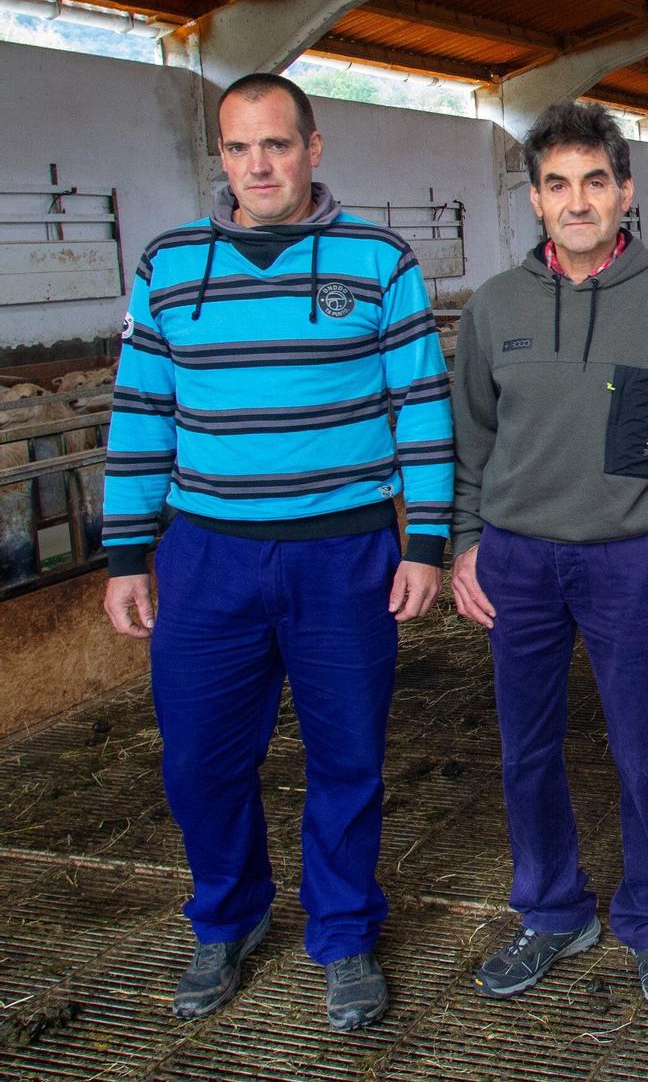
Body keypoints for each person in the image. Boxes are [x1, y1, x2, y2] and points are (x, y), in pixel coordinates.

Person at [100, 73, 453, 1030]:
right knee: (201, 760)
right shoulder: (169, 265)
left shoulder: (379, 259)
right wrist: (127, 551)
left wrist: (425, 541)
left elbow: (420, 405)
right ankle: (227, 915)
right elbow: (141, 412)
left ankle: (342, 932)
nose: (260, 165)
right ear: (220, 154)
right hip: (207, 553)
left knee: (347, 755)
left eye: (278, 144)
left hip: (341, 554)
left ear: (314, 146)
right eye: (240, 147)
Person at [449, 101, 648, 1012]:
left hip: (628, 562)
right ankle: (551, 910)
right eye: (555, 184)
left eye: (593, 182)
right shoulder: (492, 307)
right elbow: (469, 441)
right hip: (518, 563)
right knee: (526, 748)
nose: (575, 201)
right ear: (534, 202)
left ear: (624, 192)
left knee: (642, 747)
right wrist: (467, 543)